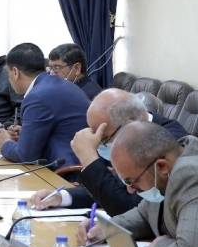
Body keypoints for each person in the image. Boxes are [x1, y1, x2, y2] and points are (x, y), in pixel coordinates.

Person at [30, 89, 188, 214]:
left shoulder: (166, 143)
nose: (99, 145)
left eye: (103, 138)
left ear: (129, 125)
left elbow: (130, 207)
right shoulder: (124, 136)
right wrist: (62, 197)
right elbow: (111, 187)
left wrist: (89, 158)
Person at [0, 43, 90, 166]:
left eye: (8, 75)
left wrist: (5, 143)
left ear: (15, 72)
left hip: (65, 170)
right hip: (82, 163)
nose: (9, 80)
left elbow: (26, 156)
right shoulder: (54, 84)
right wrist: (26, 133)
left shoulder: (37, 97)